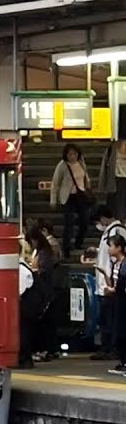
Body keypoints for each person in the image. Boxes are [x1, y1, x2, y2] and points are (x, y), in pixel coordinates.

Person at [89, 205, 126, 360]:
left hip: (111, 284)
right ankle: (107, 347)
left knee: (111, 319)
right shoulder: (110, 231)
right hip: (105, 282)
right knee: (106, 318)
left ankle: (111, 348)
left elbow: (113, 259)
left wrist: (110, 283)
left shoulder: (117, 231)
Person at [20, 224, 59, 367]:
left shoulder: (45, 252)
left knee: (43, 324)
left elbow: (43, 270)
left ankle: (45, 350)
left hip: (43, 290)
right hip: (39, 290)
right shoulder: (39, 251)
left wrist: (34, 269)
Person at [51, 143, 93, 256]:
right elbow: (55, 183)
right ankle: (66, 248)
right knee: (68, 223)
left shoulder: (81, 162)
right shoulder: (62, 165)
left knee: (84, 221)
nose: (72, 156)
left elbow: (85, 176)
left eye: (75, 154)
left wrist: (87, 187)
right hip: (68, 196)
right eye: (70, 154)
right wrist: (53, 199)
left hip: (81, 194)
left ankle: (79, 242)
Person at [107, 235, 126, 375]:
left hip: (123, 300)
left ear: (119, 248)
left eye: (111, 246)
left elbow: (122, 284)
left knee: (122, 331)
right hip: (116, 300)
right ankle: (122, 361)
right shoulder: (115, 263)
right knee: (118, 331)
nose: (109, 248)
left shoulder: (124, 264)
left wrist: (114, 290)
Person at [98, 140, 126, 219]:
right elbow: (104, 168)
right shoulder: (111, 149)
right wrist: (102, 185)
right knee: (117, 210)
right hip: (115, 182)